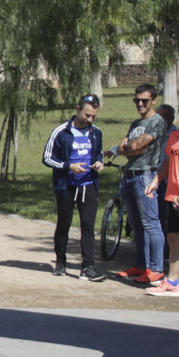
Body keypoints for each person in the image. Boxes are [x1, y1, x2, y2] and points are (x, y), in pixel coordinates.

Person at [106, 84, 166, 284]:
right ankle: (141, 265)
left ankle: (156, 269)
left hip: (145, 176)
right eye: (137, 100)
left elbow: (133, 145)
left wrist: (128, 148)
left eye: (144, 101)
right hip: (129, 175)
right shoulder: (135, 124)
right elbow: (127, 146)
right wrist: (128, 149)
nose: (140, 104)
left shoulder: (157, 122)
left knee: (151, 223)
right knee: (136, 224)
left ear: (154, 101)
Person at [42, 94, 105, 280]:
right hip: (66, 186)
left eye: (93, 116)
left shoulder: (96, 132)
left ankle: (88, 267)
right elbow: (47, 158)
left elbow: (99, 153)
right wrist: (68, 166)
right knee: (64, 224)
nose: (89, 119)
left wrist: (99, 163)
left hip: (88, 185)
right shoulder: (61, 131)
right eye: (87, 115)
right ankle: (60, 261)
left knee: (88, 226)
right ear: (78, 109)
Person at [144, 95, 179, 296]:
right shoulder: (176, 136)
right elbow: (168, 161)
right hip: (172, 197)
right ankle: (173, 283)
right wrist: (155, 181)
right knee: (174, 239)